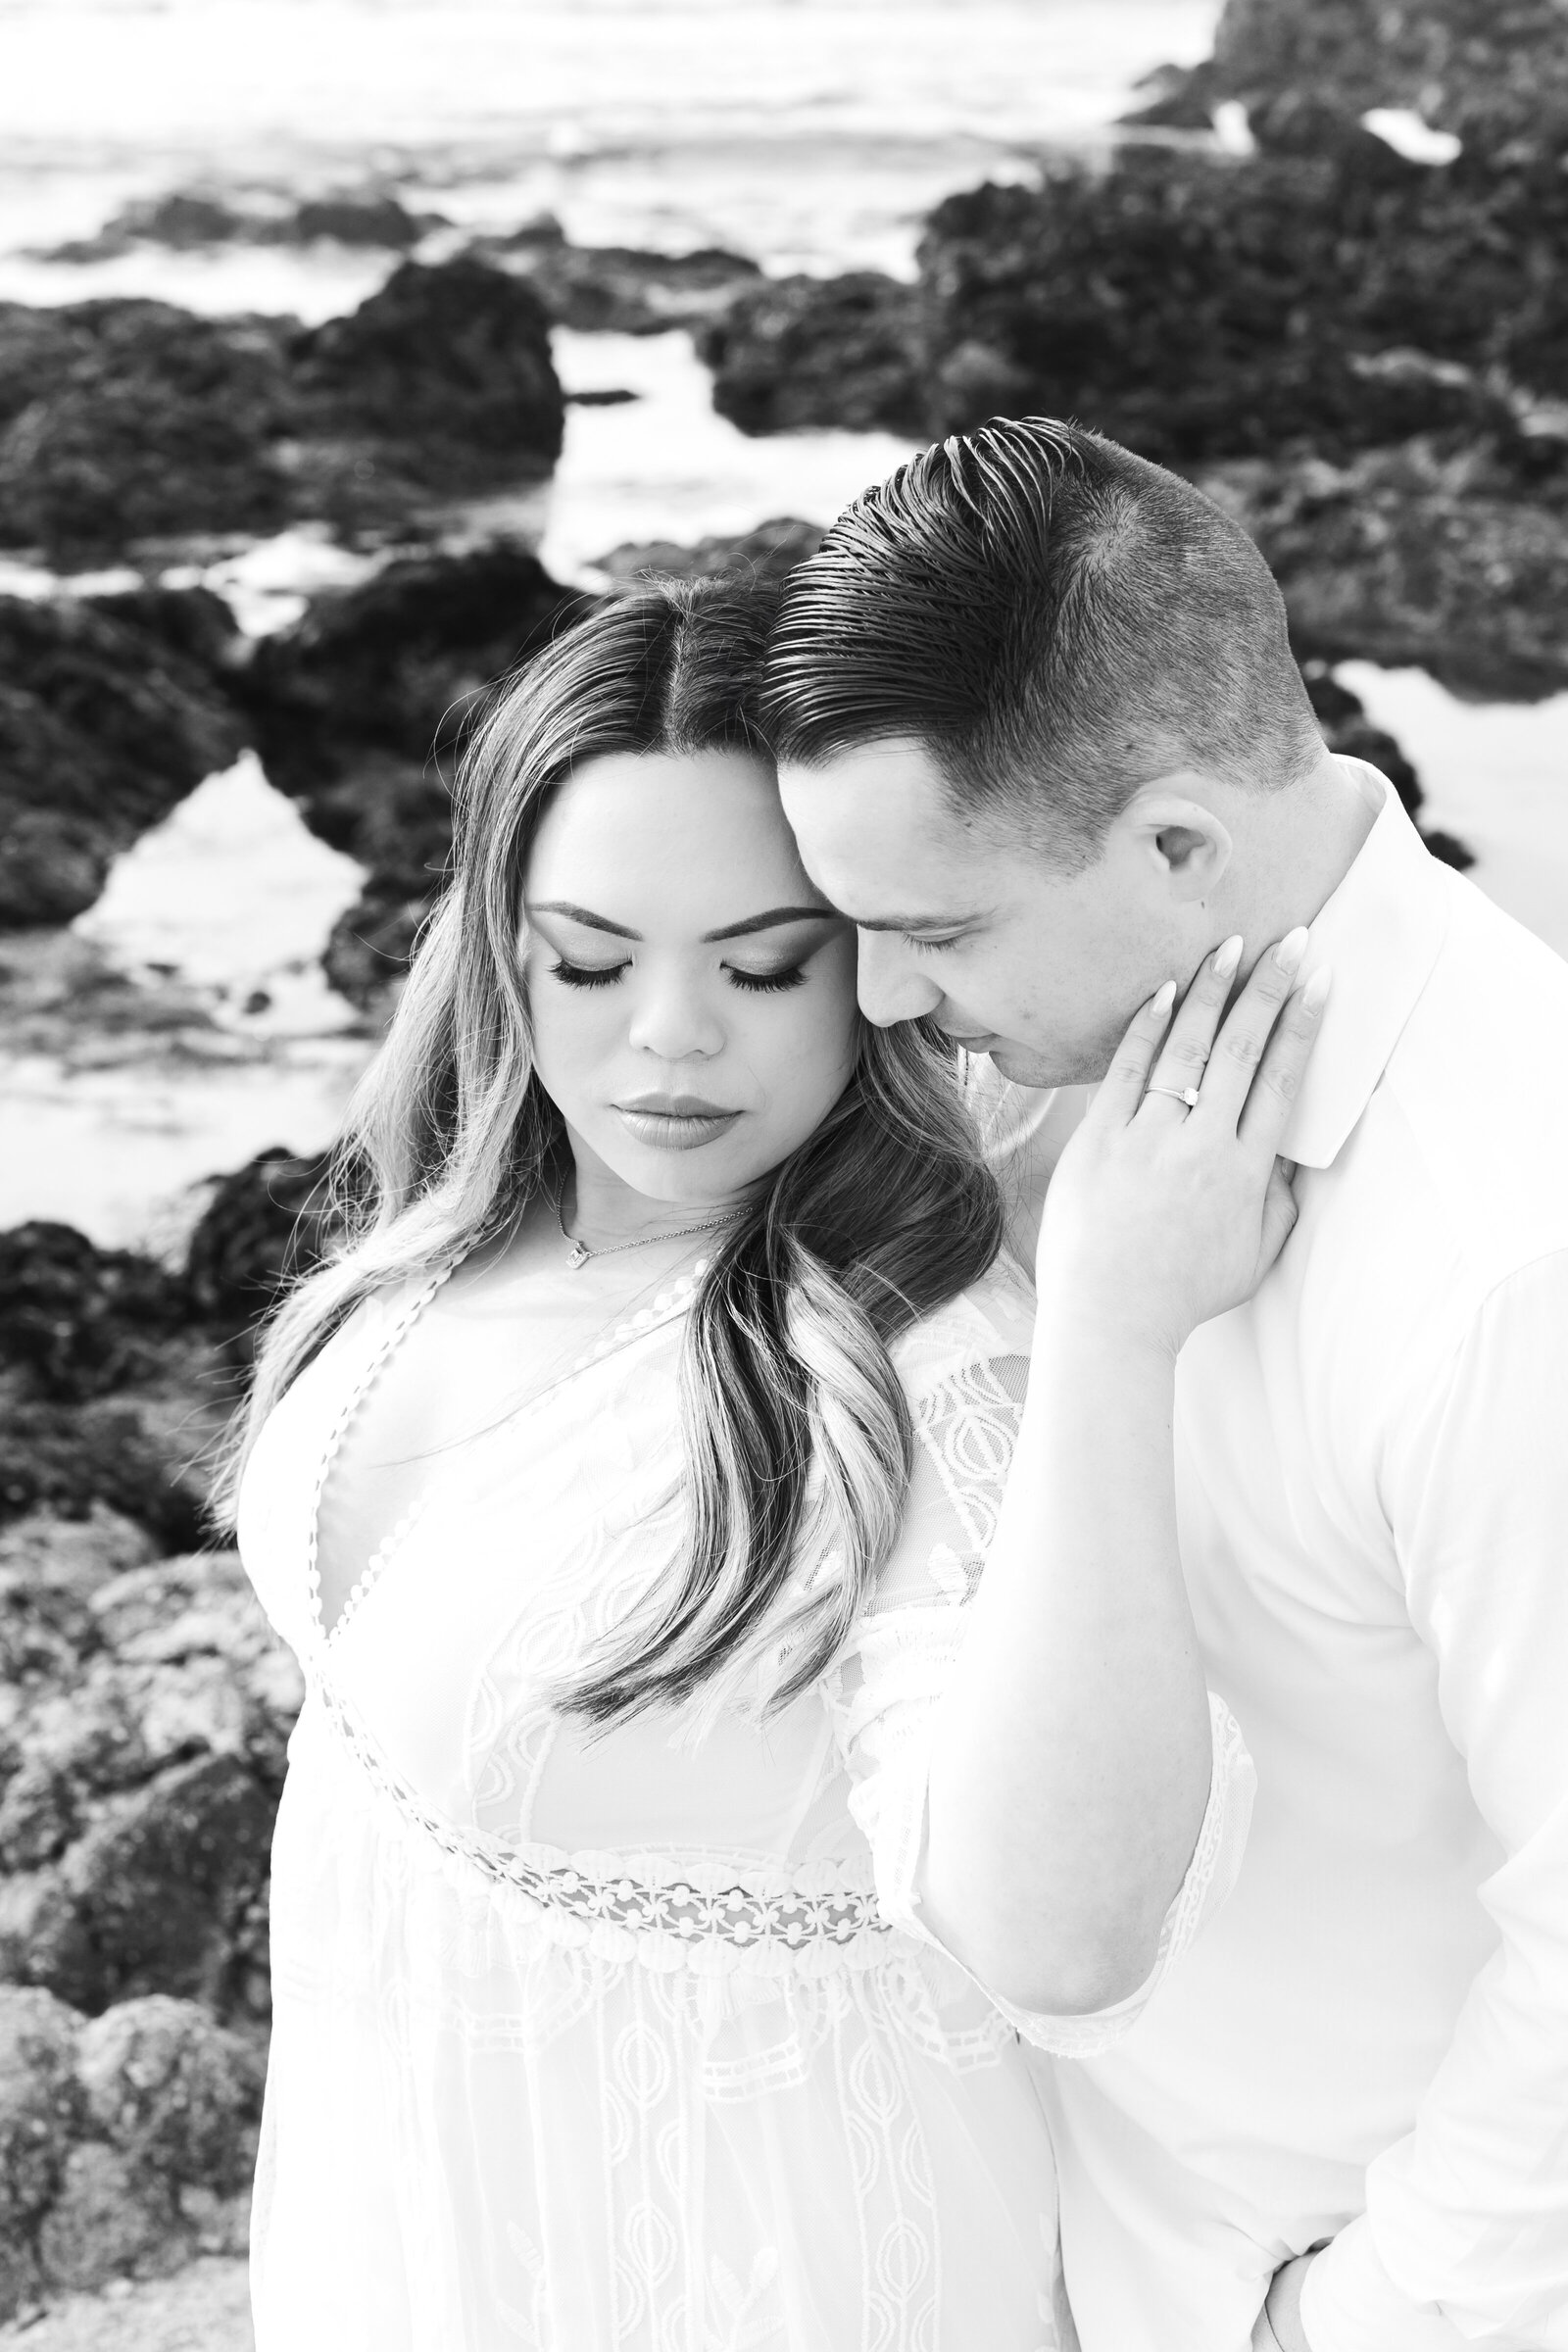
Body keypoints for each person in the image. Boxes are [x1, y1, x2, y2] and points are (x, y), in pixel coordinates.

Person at [225, 575, 1319, 2350]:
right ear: (501, 939)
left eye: (760, 964)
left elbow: (1061, 1943)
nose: (666, 1038)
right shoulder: (460, 1222)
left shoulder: (906, 1375)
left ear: (880, 963)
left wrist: (1117, 1338)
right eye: (588, 958)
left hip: (764, 2273)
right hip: (414, 2236)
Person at [763, 416, 1568, 2352]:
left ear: (1179, 846)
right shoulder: (1034, 1077)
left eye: (933, 930)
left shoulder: (1502, 1259)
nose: (874, 1002)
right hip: (1057, 2250)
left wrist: (1359, 2324)